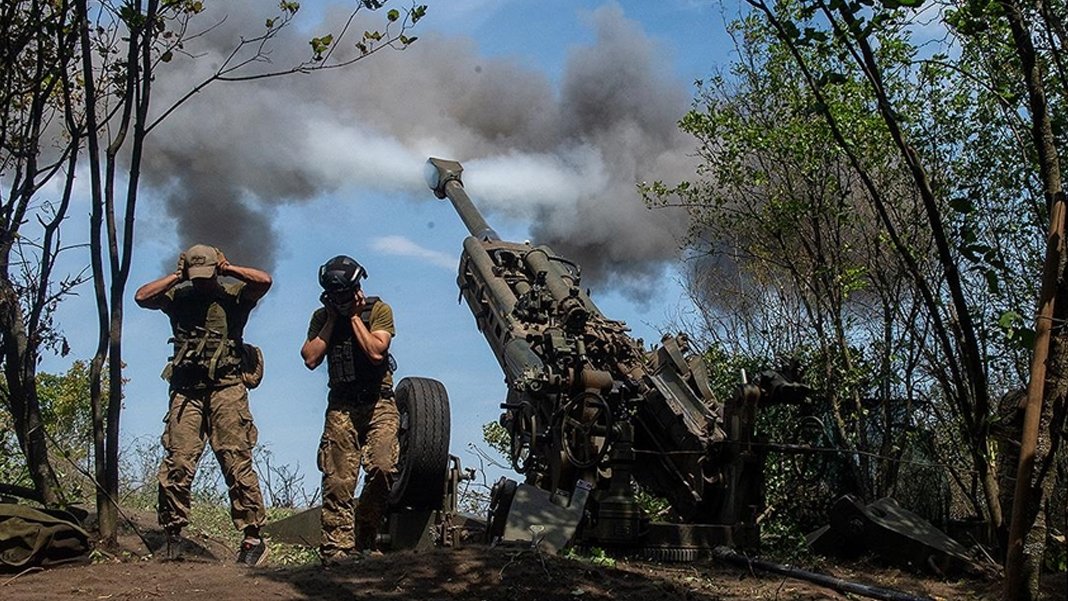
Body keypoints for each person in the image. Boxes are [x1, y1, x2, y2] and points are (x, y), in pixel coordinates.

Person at [134, 244, 272, 567]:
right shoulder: (178, 297)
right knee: (178, 462)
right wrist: (176, 277)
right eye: (195, 277)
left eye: (206, 275)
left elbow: (264, 281)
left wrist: (229, 268)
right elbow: (141, 297)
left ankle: (253, 539)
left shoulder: (233, 296)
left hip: (227, 388)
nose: (201, 282)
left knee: (236, 461)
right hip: (186, 391)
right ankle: (173, 537)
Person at [300, 255, 398, 565]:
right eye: (335, 296)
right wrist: (332, 319)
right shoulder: (321, 317)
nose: (341, 300)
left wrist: (355, 317)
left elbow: (375, 351)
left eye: (346, 293)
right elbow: (310, 357)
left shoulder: (378, 310)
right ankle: (336, 550)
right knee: (338, 480)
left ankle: (364, 535)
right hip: (341, 405)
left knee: (383, 467)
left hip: (378, 402)